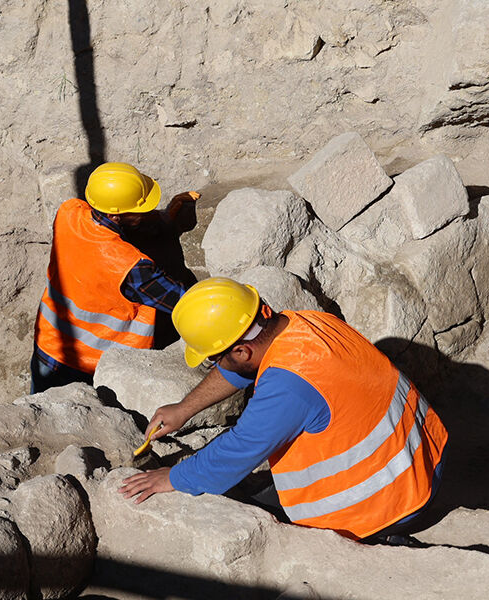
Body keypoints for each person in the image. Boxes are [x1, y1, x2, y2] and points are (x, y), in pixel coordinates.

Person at [119, 277, 448, 542]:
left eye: (214, 356)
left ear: (242, 350)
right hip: (425, 458)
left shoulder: (289, 385)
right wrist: (184, 408)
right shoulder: (304, 324)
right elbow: (239, 365)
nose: (215, 364)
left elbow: (237, 452)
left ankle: (380, 539)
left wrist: (173, 477)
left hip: (386, 501)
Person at [30, 162, 196, 393]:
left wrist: (163, 219)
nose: (145, 212)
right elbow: (185, 302)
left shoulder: (68, 212)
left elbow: (114, 229)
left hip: (48, 347)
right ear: (115, 214)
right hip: (96, 364)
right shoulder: (130, 268)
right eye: (139, 210)